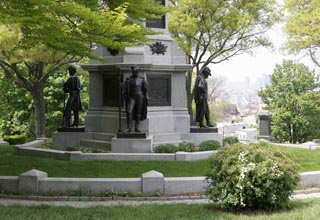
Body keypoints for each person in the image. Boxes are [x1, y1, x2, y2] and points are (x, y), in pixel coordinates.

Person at [123, 64, 148, 132]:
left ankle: (137, 127)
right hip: (132, 97)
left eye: (136, 71)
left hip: (140, 96)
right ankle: (129, 127)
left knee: (138, 112)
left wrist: (146, 97)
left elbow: (145, 90)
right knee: (129, 111)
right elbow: (125, 90)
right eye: (134, 71)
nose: (135, 72)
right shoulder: (128, 80)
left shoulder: (142, 80)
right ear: (132, 72)